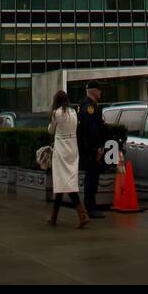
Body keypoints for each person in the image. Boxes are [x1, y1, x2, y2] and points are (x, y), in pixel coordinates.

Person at [48, 89, 88, 227]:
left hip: (61, 150)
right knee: (67, 181)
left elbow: (51, 130)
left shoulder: (56, 113)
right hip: (72, 148)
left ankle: (82, 216)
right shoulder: (73, 112)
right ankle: (53, 217)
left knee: (62, 182)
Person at [77, 80, 106, 218]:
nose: (100, 92)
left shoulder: (84, 105)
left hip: (88, 148)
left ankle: (90, 206)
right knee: (92, 177)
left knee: (92, 176)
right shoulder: (89, 107)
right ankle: (90, 207)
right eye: (99, 89)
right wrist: (97, 148)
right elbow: (92, 130)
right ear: (93, 90)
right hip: (91, 149)